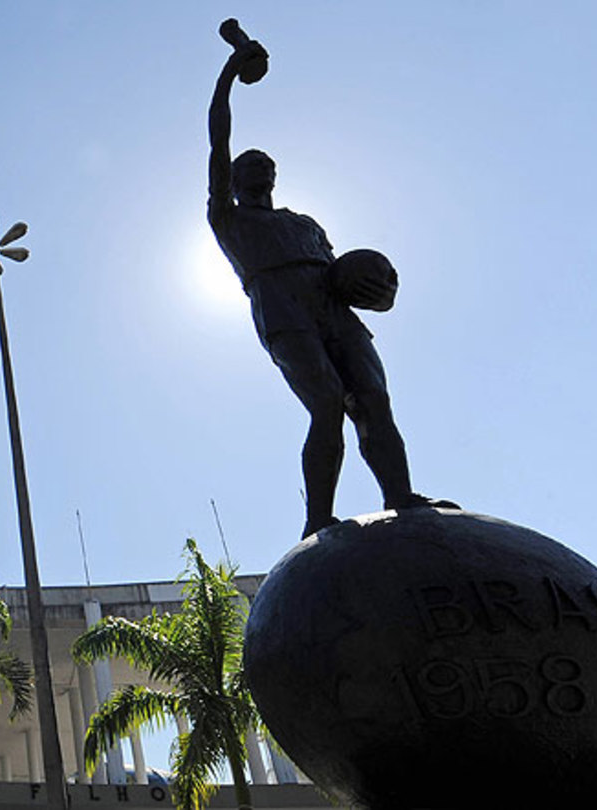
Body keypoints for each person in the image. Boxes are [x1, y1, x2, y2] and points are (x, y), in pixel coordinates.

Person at [208, 42, 456, 538]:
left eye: (267, 165)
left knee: (374, 400)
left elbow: (345, 274)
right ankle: (318, 518)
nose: (262, 169)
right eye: (251, 165)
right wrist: (231, 71)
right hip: (280, 306)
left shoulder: (306, 224)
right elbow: (218, 135)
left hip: (332, 304)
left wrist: (374, 289)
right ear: (233, 179)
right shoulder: (228, 218)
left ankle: (400, 495)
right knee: (326, 404)